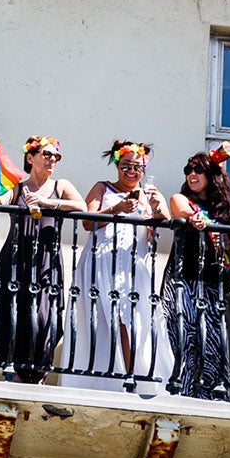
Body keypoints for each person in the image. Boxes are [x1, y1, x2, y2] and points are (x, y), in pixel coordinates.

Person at [72, 141, 169, 391]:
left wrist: (158, 211)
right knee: (104, 320)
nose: (131, 171)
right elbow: (86, 222)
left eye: (137, 166)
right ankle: (109, 380)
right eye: (126, 165)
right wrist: (116, 209)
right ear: (117, 165)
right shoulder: (103, 188)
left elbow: (156, 230)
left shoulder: (149, 195)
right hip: (101, 262)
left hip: (132, 267)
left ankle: (131, 376)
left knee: (132, 319)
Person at [0, 135, 84, 383]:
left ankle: (38, 374)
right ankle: (18, 375)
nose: (52, 159)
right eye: (47, 154)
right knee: (13, 314)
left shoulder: (60, 185)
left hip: (46, 262)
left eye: (56, 156)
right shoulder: (18, 188)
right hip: (15, 261)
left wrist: (48, 202)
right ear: (30, 158)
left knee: (45, 318)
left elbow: (82, 206)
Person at [164, 148, 230, 400]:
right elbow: (181, 210)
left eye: (198, 169)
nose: (192, 174)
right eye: (188, 170)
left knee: (211, 339)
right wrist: (196, 218)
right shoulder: (182, 198)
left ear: (212, 175)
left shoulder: (226, 210)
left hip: (210, 281)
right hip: (182, 278)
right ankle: (181, 392)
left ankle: (207, 396)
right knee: (184, 334)